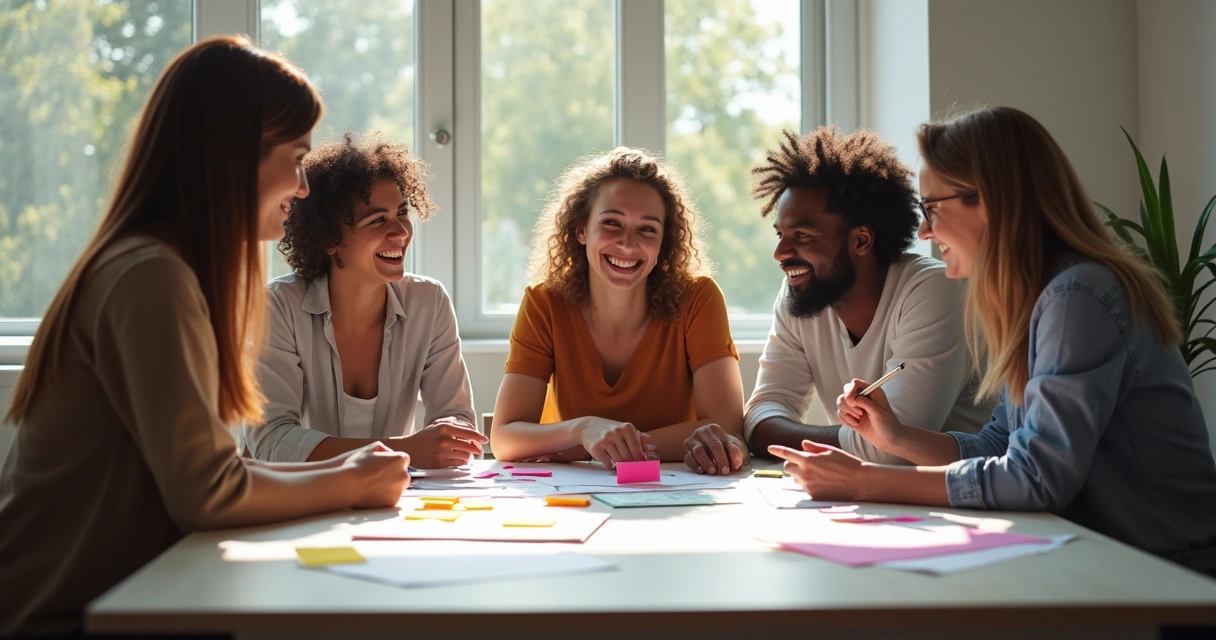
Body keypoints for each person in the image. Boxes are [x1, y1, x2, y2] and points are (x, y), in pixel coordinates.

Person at [0, 37, 411, 637]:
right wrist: (349, 482)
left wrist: (352, 467)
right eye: (295, 159)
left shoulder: (163, 269)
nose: (302, 187)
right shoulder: (150, 276)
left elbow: (220, 470)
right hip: (64, 618)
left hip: (125, 600)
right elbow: (209, 495)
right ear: (233, 156)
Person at [771, 106, 1216, 577]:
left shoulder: (1078, 297)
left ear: (987, 201)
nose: (924, 231)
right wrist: (895, 436)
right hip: (1104, 557)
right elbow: (1000, 445)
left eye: (932, 209)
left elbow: (1036, 478)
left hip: (1168, 571)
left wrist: (867, 482)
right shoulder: (1038, 298)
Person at [489, 148, 747, 475]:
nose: (627, 244)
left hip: (674, 489)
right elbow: (504, 438)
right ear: (581, 230)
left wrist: (596, 449)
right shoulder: (544, 303)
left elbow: (726, 427)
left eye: (647, 229)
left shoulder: (699, 298)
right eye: (612, 223)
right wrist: (584, 430)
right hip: (575, 495)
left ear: (664, 242)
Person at [745, 126, 991, 464]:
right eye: (780, 234)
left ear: (861, 240)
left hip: (967, 502)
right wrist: (854, 441)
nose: (780, 253)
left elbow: (892, 449)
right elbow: (759, 419)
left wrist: (792, 436)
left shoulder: (935, 290)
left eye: (801, 235)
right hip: (883, 498)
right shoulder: (799, 293)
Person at [244, 133, 485, 468]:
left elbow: (457, 423)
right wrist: (408, 450)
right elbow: (272, 443)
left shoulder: (429, 302)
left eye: (402, 213)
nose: (401, 232)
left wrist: (449, 435)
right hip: (298, 500)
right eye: (377, 220)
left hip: (391, 498)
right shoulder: (278, 307)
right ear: (329, 239)